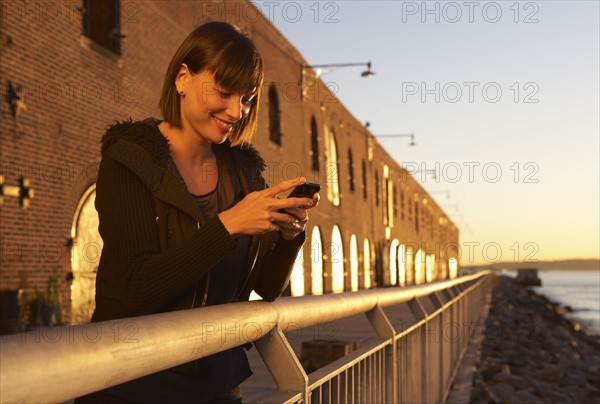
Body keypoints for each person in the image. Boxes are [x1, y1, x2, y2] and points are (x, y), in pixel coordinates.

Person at [75, 21, 319, 403]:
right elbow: (133, 292)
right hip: (134, 385)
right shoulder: (129, 160)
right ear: (183, 78)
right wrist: (227, 226)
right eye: (224, 92)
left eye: (247, 98)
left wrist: (289, 236)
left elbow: (267, 289)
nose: (236, 111)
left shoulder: (244, 171)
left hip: (218, 385)